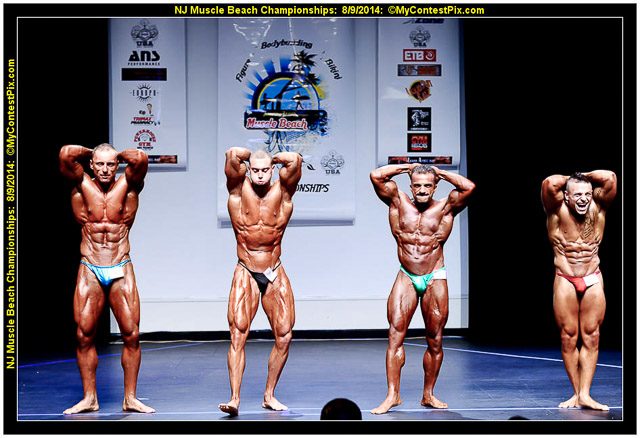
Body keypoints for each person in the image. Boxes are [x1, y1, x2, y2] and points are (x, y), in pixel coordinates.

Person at [369, 164, 475, 414]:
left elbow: (469, 187)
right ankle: (392, 395)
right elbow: (376, 176)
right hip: (406, 276)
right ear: (411, 186)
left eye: (428, 185)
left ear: (436, 186)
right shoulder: (398, 201)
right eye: (417, 185)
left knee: (435, 339)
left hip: (434, 277)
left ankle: (429, 394)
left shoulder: (446, 207)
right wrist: (408, 167)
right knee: (395, 334)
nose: (422, 190)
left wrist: (440, 172)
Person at [58, 143, 154, 414]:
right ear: (90, 164)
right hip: (90, 266)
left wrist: (114, 154)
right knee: (84, 335)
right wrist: (94, 151)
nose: (104, 169)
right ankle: (90, 398)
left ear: (118, 165)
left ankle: (130, 398)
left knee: (132, 334)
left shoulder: (129, 185)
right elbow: (65, 153)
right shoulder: (80, 185)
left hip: (120, 264)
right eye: (99, 164)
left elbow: (141, 158)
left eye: (110, 164)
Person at [219, 147, 303, 416]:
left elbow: (295, 160)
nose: (259, 175)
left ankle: (269, 395)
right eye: (254, 170)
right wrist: (251, 157)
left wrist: (269, 157)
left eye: (265, 170)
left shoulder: (284, 191)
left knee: (285, 335)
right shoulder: (237, 189)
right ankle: (234, 398)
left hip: (273, 269)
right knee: (238, 334)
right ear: (248, 170)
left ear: (273, 170)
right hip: (246, 270)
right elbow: (232, 155)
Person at [541, 170, 617, 411]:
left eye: (587, 194)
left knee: (592, 335)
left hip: (592, 276)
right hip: (565, 277)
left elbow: (611, 177)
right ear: (566, 196)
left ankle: (585, 394)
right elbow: (549, 182)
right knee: (568, 337)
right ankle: (576, 393)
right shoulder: (556, 210)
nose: (583, 199)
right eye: (577, 195)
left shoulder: (599, 208)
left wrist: (583, 176)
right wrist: (573, 178)